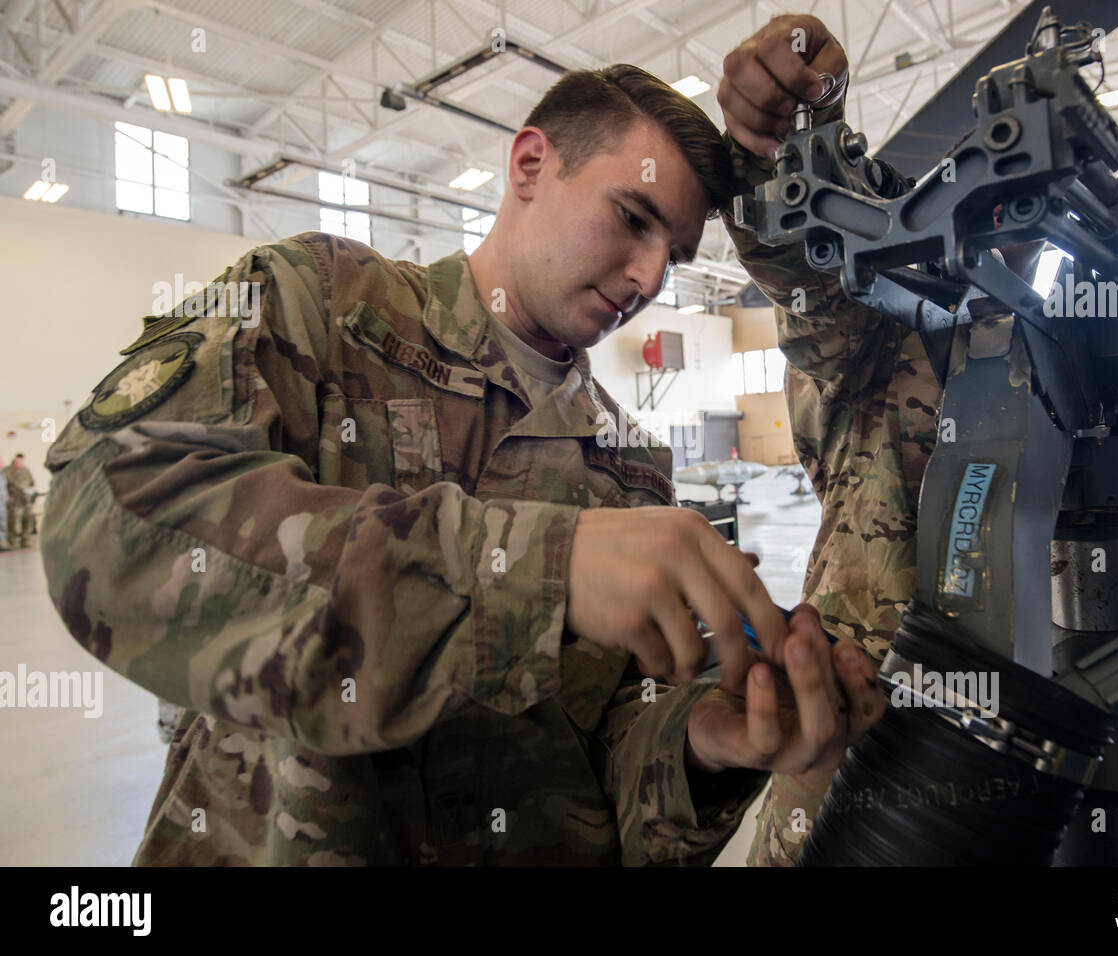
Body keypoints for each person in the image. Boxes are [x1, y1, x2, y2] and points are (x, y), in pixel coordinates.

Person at [40, 64, 884, 866]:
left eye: (676, 254)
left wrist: (702, 747)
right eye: (633, 218)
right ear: (529, 165)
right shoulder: (323, 306)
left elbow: (610, 750)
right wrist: (540, 569)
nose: (651, 276)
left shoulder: (632, 470)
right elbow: (108, 501)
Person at [718, 14, 1118, 865]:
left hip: (1055, 783)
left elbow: (1116, 576)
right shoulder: (879, 336)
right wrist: (778, 132)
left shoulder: (1075, 360)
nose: (1027, 226)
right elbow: (804, 268)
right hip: (865, 781)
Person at [4, 452, 35, 549]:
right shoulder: (7, 472)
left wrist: (31, 490)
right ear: (13, 464)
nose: (21, 465)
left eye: (22, 463)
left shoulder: (26, 471)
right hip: (15, 500)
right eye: (18, 464)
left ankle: (26, 541)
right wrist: (7, 496)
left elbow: (32, 482)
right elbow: (3, 485)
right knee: (13, 522)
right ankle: (12, 542)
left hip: (26, 500)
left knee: (27, 521)